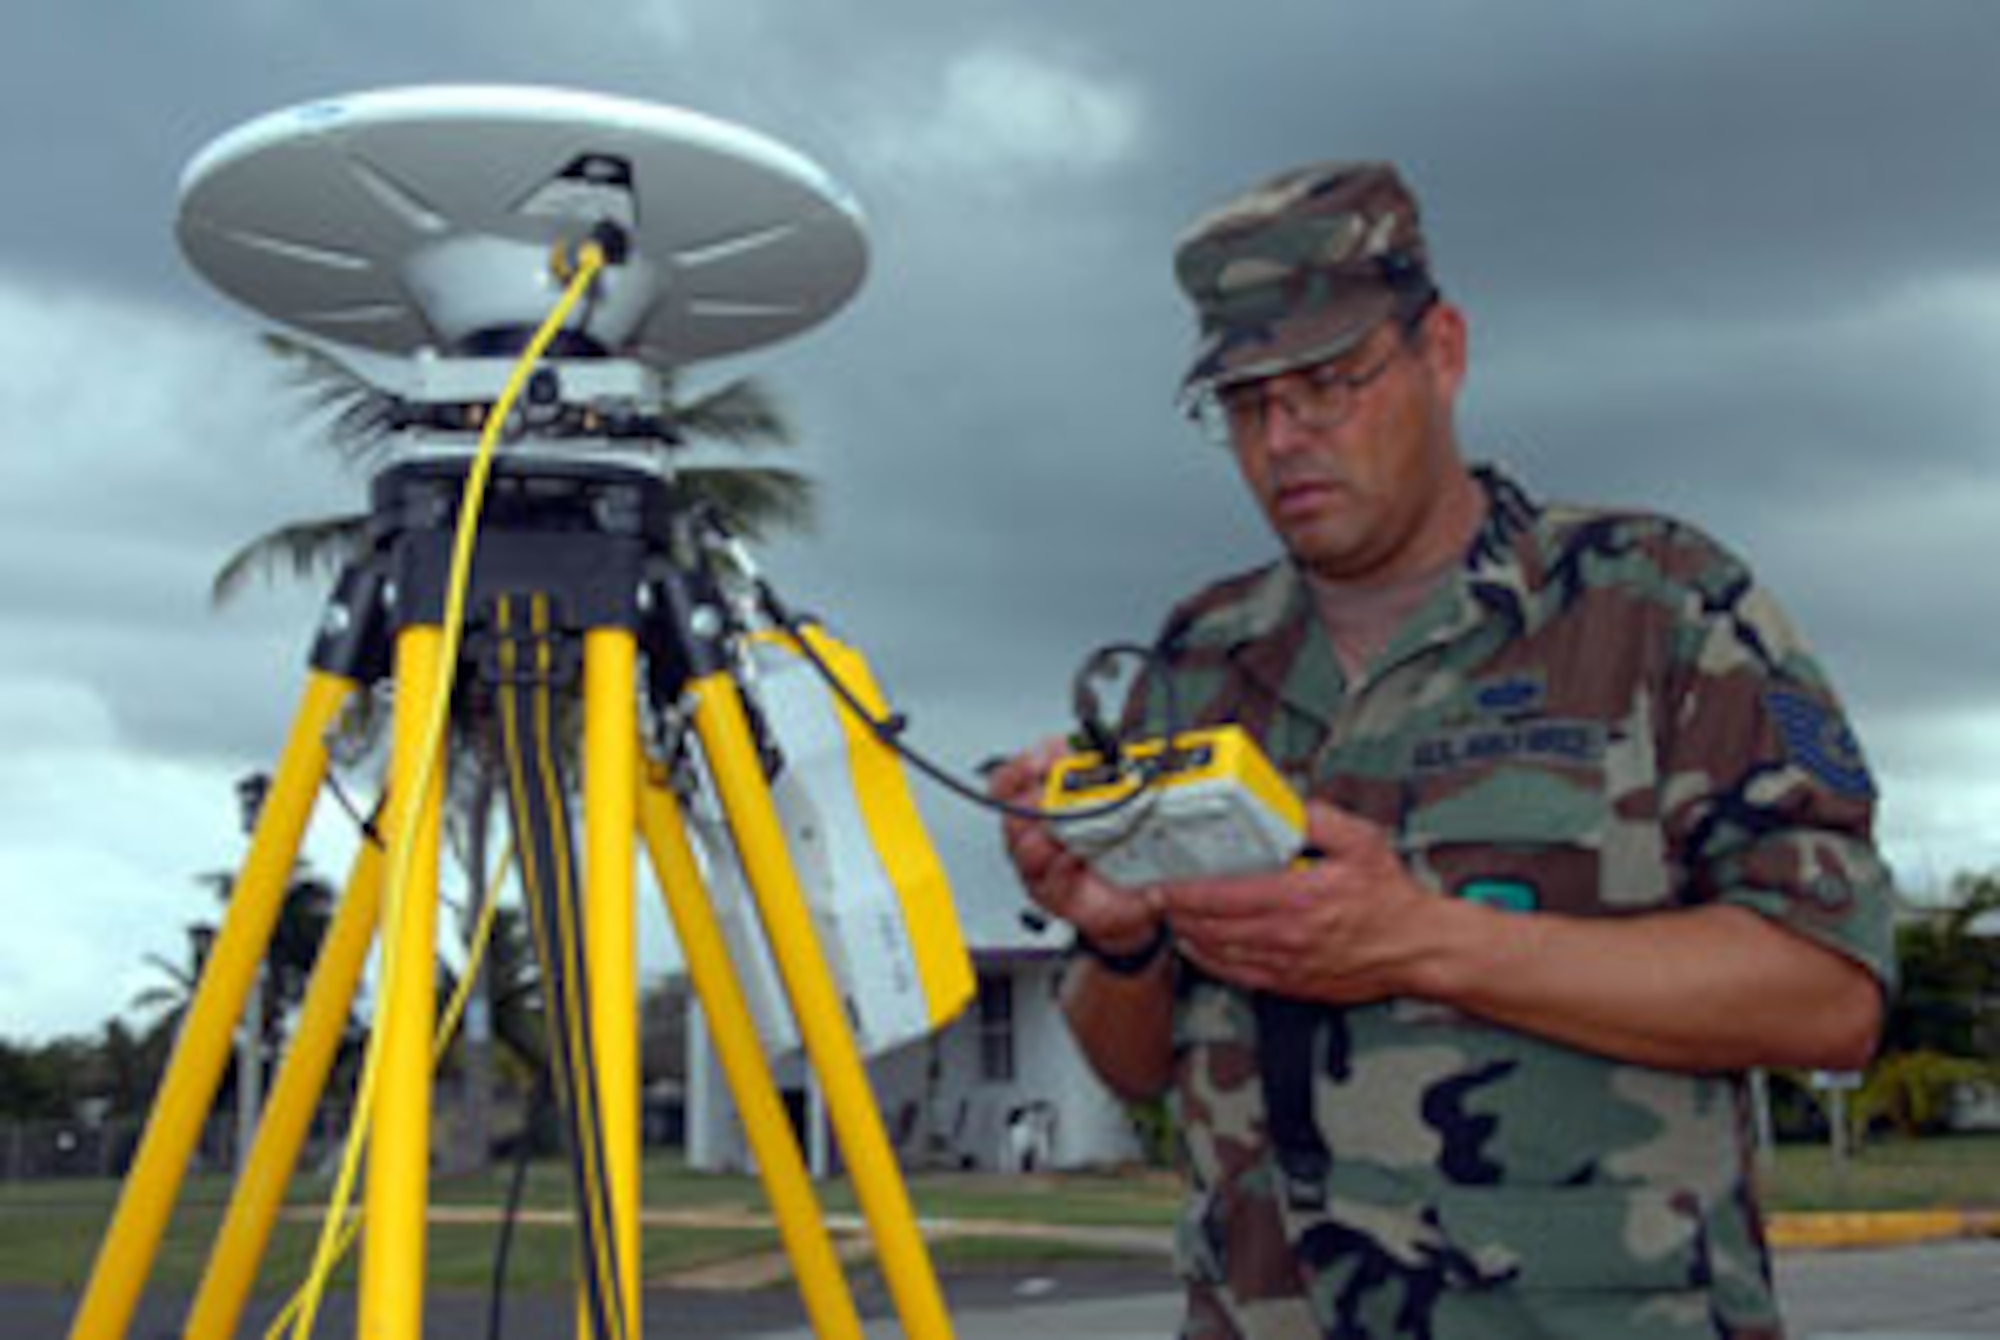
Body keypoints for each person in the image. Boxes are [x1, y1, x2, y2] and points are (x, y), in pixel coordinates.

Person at [992, 162, 1896, 1340]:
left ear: (1442, 351)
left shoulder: (1657, 606)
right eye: (1245, 402)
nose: (1284, 438)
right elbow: (1138, 1068)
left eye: (1329, 382)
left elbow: (1829, 993)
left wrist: (1423, 940)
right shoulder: (1195, 661)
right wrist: (1118, 941)